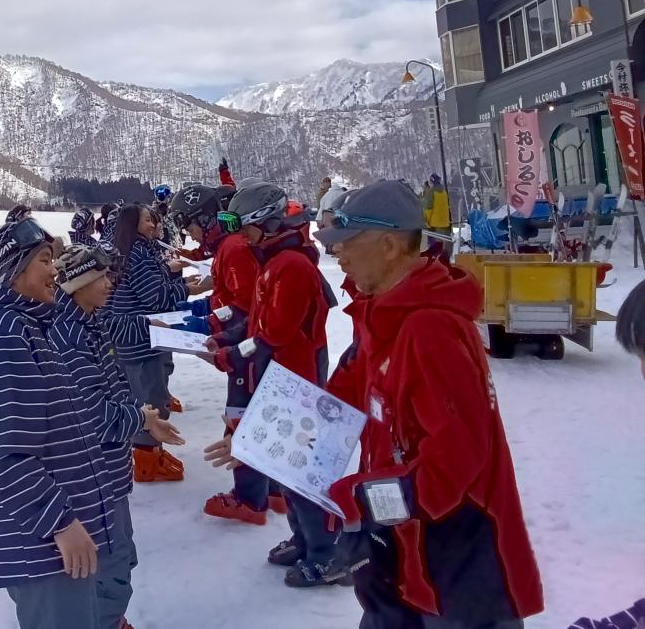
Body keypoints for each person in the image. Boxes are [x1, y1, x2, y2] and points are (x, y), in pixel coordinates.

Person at [314, 180, 543, 626]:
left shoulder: (429, 329)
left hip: (457, 562)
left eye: (345, 242)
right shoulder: (382, 315)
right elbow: (350, 389)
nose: (336, 254)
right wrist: (264, 439)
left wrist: (365, 501)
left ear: (388, 245)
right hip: (405, 546)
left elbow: (455, 462)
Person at [0, 219, 116, 629]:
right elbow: (8, 453)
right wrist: (60, 523)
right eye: (45, 261)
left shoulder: (29, 327)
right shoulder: (6, 338)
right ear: (12, 270)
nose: (55, 271)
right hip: (43, 545)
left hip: (51, 539)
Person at [49, 244, 184, 629]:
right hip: (92, 474)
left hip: (107, 468)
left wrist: (150, 325)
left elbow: (115, 353)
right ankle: (103, 620)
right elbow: (90, 413)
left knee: (118, 553)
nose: (110, 284)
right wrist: (137, 420)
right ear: (79, 284)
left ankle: (107, 615)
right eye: (102, 277)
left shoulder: (88, 320)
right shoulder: (67, 338)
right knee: (111, 559)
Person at [220, 181, 342, 587]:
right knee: (283, 465)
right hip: (283, 376)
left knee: (299, 469)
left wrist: (234, 354)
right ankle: (304, 536)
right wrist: (230, 338)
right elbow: (260, 324)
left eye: (245, 226)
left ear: (268, 224)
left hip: (297, 378)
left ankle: (327, 553)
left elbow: (274, 334)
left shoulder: (288, 266)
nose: (241, 235)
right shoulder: (273, 262)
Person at [168, 184, 279, 525]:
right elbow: (227, 297)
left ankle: (250, 499)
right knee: (257, 413)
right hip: (243, 344)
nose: (191, 234)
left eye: (192, 226)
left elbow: (246, 307)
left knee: (241, 414)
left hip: (245, 349)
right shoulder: (227, 248)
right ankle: (275, 490)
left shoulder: (232, 248)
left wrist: (211, 326)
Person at [107, 203, 189, 482]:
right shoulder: (139, 253)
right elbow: (156, 298)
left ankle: (148, 451)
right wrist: (190, 288)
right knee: (150, 399)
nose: (153, 224)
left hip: (132, 337)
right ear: (132, 223)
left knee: (140, 395)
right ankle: (146, 460)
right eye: (146, 220)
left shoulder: (133, 249)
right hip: (141, 338)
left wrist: (172, 272)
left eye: (153, 219)